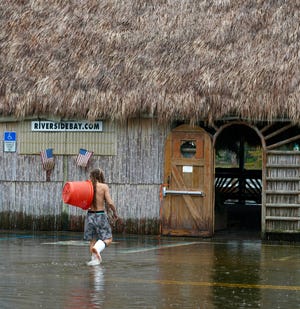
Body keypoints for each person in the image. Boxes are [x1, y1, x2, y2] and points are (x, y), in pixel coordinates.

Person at [84, 168, 119, 266]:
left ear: (91, 176)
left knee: (92, 240)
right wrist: (115, 212)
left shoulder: (88, 186)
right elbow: (110, 202)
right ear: (100, 176)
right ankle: (98, 249)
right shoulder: (104, 187)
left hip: (89, 215)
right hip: (100, 215)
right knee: (108, 238)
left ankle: (94, 262)